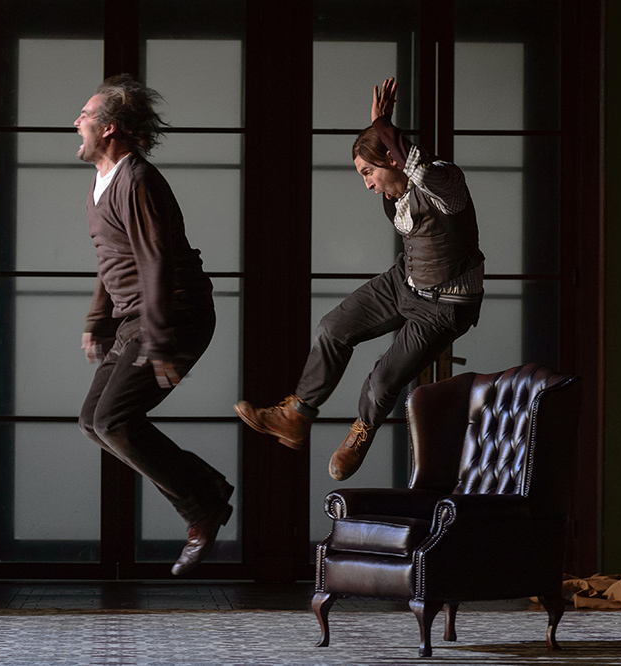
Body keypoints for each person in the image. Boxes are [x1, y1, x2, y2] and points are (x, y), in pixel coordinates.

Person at [235, 77, 484, 481]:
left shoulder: (444, 182)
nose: (367, 183)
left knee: (382, 380)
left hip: (444, 305)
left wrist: (382, 124)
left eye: (369, 171)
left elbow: (417, 166)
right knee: (332, 328)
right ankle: (297, 415)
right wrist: (376, 131)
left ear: (392, 159)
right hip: (405, 281)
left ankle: (362, 431)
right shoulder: (393, 195)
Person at [75, 74, 233, 576]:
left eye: (85, 115)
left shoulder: (137, 180)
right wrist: (98, 319)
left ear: (109, 128)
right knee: (93, 421)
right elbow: (112, 261)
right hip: (135, 318)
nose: (76, 122)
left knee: (114, 421)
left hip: (175, 313)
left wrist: (161, 340)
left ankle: (201, 508)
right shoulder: (101, 185)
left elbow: (155, 260)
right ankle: (207, 490)